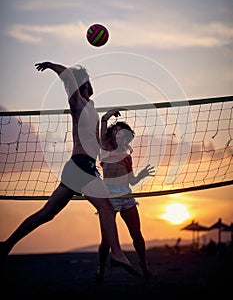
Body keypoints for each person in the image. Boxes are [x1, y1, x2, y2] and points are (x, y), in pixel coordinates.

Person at [0, 62, 140, 277]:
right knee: (106, 208)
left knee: (46, 214)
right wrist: (51, 66)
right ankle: (117, 253)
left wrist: (106, 120)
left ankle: (6, 244)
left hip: (82, 167)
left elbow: (99, 146)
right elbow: (67, 77)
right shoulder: (77, 103)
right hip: (81, 166)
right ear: (84, 83)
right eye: (86, 80)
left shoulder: (91, 106)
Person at [96, 109, 155, 285]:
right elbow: (104, 121)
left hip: (127, 197)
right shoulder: (105, 148)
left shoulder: (127, 157)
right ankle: (101, 269)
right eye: (115, 131)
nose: (118, 133)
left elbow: (132, 180)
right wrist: (110, 114)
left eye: (121, 131)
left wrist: (142, 175)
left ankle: (144, 266)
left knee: (137, 235)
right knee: (106, 241)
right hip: (109, 199)